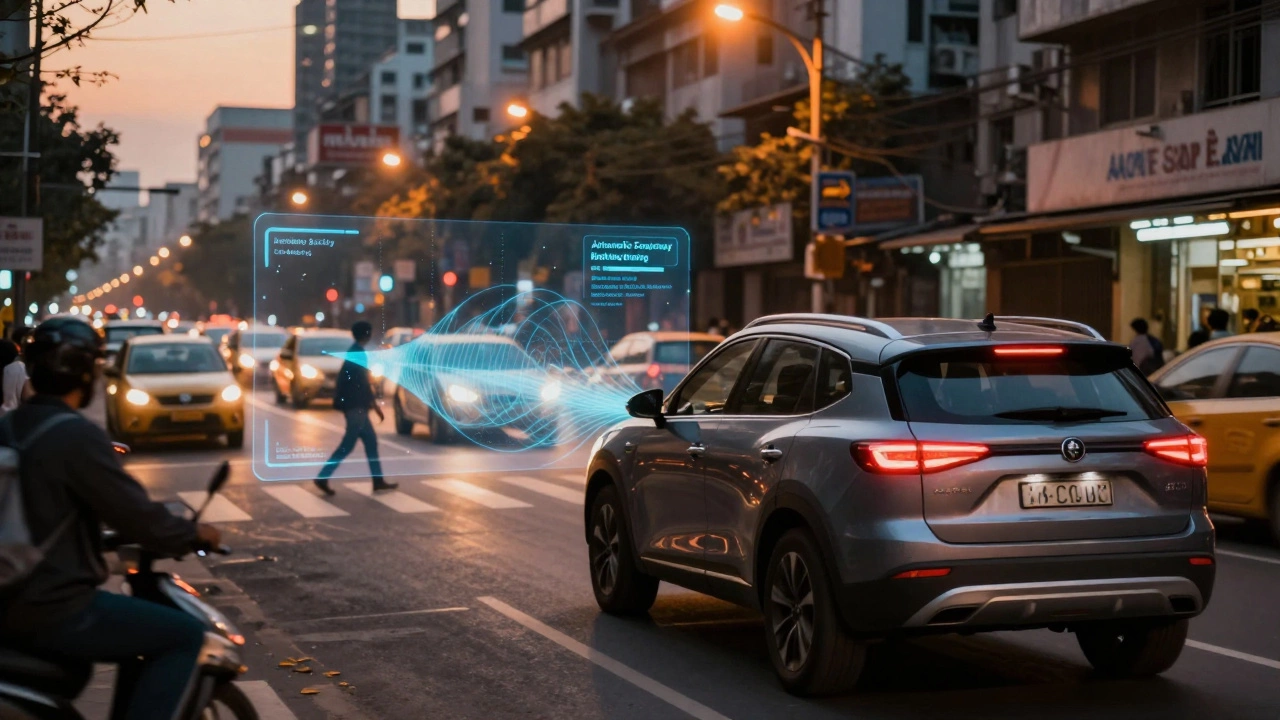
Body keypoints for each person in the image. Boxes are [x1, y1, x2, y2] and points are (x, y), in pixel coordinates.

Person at [0, 317, 222, 720]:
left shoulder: (8, 427)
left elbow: (39, 512)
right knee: (184, 635)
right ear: (86, 374)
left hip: (10, 600)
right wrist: (191, 533)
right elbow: (137, 516)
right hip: (55, 607)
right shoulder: (75, 435)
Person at [314, 321, 396, 496]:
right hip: (356, 407)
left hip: (356, 407)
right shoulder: (358, 354)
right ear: (366, 334)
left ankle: (378, 480)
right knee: (348, 445)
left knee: (371, 442)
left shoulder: (355, 352)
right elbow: (362, 384)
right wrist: (374, 405)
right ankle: (323, 477)